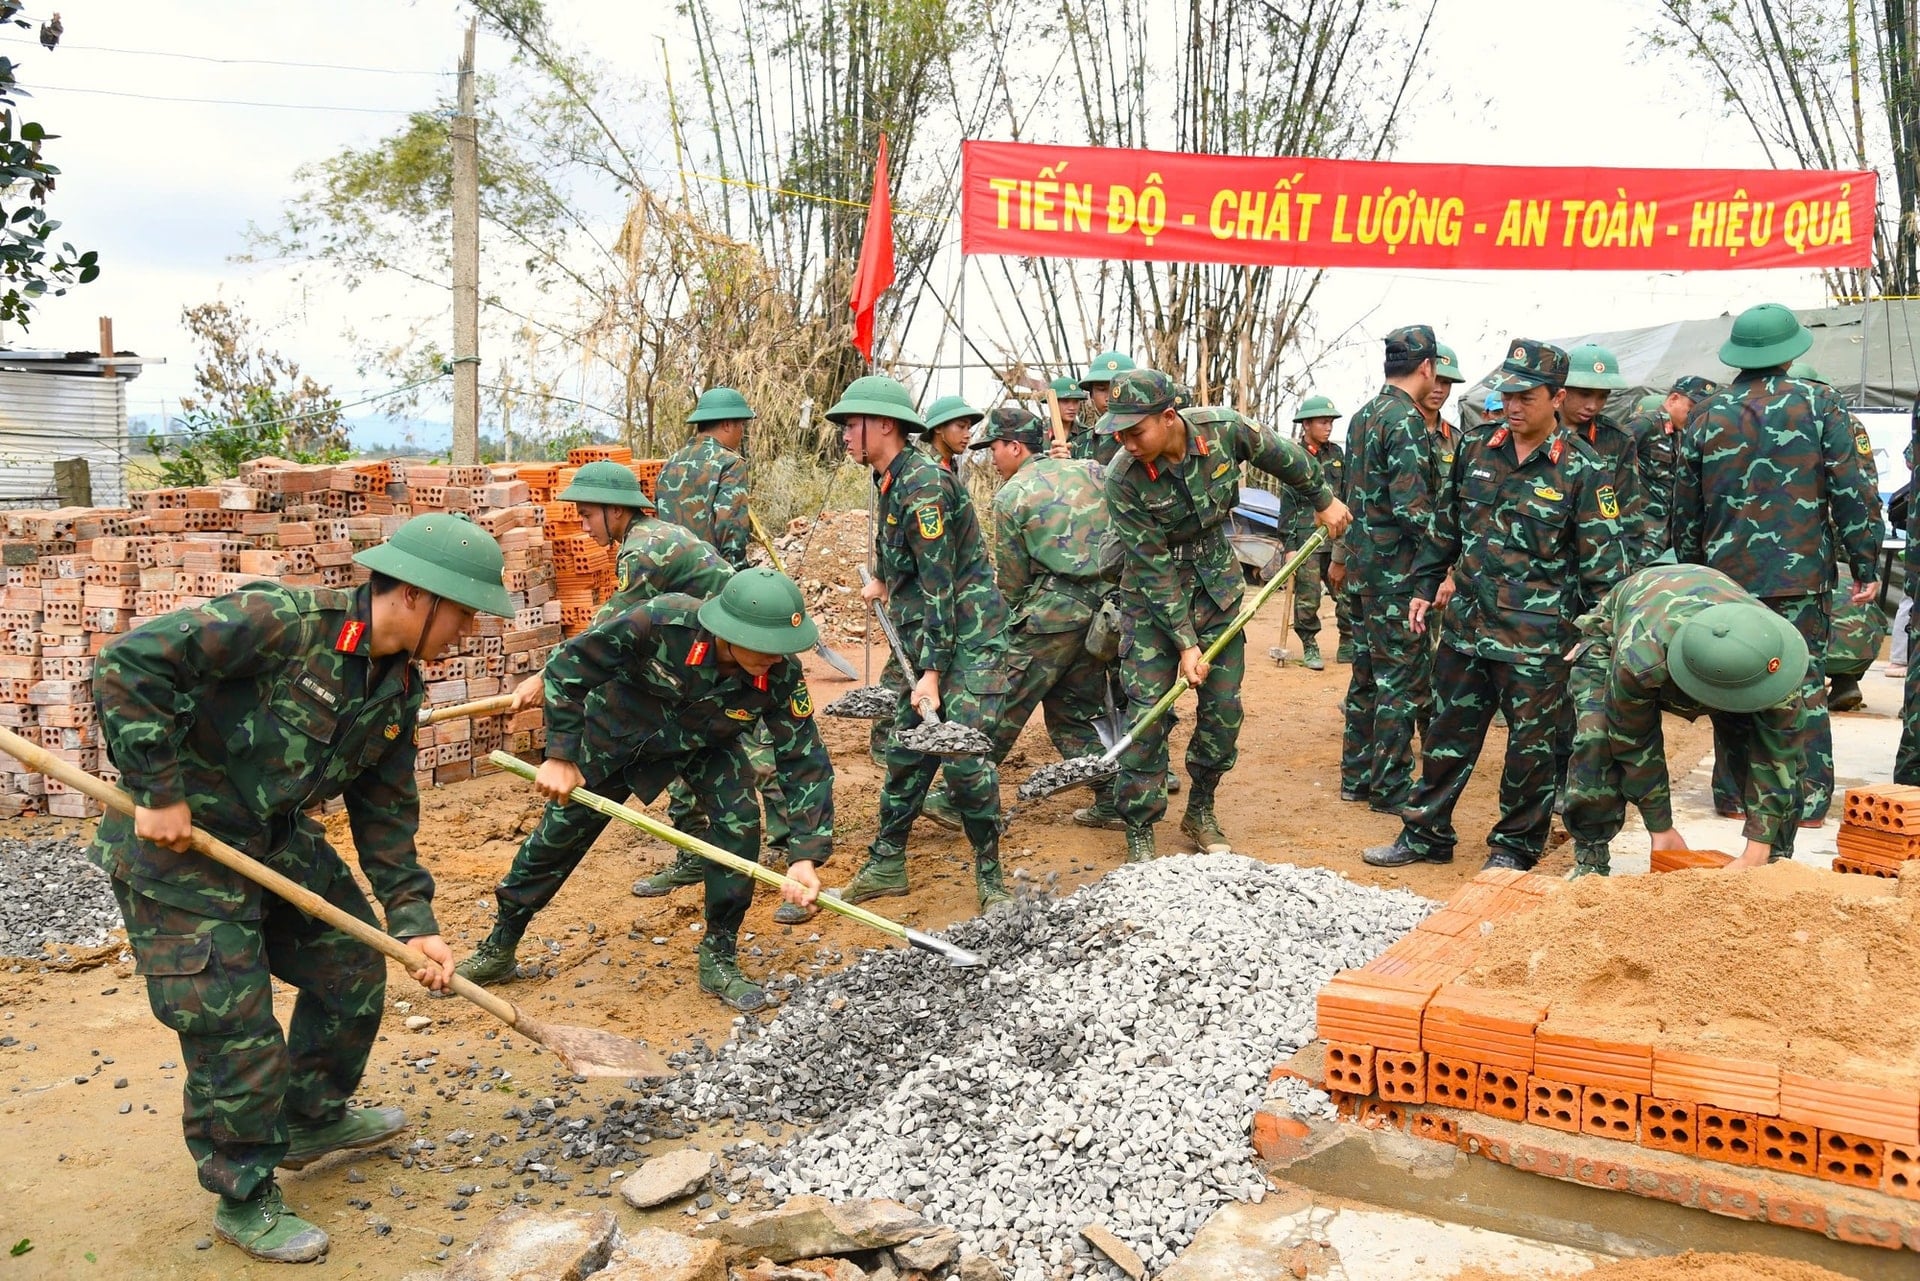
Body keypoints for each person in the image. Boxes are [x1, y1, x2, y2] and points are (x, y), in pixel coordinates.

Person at [89, 514, 514, 1263]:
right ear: (417, 596)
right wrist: (157, 789)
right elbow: (130, 664)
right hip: (179, 854)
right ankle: (244, 1191)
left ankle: (310, 1116)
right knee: (234, 1026)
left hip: (271, 840)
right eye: (464, 612)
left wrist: (413, 919)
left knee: (353, 963)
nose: (470, 630)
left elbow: (385, 810)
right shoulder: (282, 623)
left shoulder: (397, 686)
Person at [454, 570, 830, 1012]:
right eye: (765, 646)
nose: (775, 656)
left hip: (703, 745)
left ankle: (719, 955)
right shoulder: (659, 622)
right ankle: (500, 945)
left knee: (740, 825)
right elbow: (568, 668)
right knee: (557, 838)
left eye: (783, 646)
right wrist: (560, 756)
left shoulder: (780, 673)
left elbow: (803, 759)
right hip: (615, 736)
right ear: (729, 631)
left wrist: (804, 855)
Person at [1365, 339, 1626, 871]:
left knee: (1530, 751)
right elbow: (1445, 527)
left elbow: (1603, 566)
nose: (1513, 405)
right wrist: (1424, 585)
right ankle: (1425, 835)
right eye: (1508, 394)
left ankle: (1514, 847)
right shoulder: (1477, 448)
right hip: (1467, 627)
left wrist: (1596, 637)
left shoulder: (1585, 468)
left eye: (1526, 396)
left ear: (1556, 398)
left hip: (1537, 640)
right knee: (1445, 737)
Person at [1101, 369, 1352, 860]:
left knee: (1222, 711)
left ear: (1168, 417)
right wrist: (1185, 643)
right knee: (1148, 713)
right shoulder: (1122, 479)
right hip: (1152, 603)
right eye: (1119, 434)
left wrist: (1323, 499)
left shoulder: (1224, 430)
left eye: (1135, 431)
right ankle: (1140, 825)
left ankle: (1201, 809)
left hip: (1217, 588)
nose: (1127, 443)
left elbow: (1285, 456)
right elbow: (1151, 566)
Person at [1672, 303, 1880, 832]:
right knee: (1803, 683)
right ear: (1791, 352)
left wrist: (1695, 575)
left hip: (1727, 580)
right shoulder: (1820, 404)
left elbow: (1685, 506)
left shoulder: (1706, 413)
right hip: (1800, 577)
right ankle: (1805, 803)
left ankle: (1734, 795)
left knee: (1729, 678)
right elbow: (1852, 490)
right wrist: (1864, 561)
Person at [832, 375, 1013, 909]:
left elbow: (940, 585)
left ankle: (991, 879)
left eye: (852, 425)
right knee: (905, 751)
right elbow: (902, 553)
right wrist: (883, 580)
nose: (845, 435)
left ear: (885, 426)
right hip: (925, 634)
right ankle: (887, 863)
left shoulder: (925, 486)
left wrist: (930, 675)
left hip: (968, 638)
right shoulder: (889, 479)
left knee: (962, 756)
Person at [923, 407, 1117, 829]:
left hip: (1049, 618)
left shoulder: (1012, 496)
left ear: (1014, 446)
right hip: (1104, 616)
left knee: (1002, 704)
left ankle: (959, 797)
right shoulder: (1093, 471)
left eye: (993, 448)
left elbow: (1013, 582)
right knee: (1073, 712)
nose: (991, 458)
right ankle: (1114, 797)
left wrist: (1003, 628)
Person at [1563, 563, 1812, 875]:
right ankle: (1590, 859)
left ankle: (1773, 862)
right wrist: (1660, 827)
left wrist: (1759, 843)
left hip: (1728, 649)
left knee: (1766, 753)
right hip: (1619, 636)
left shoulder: (1774, 660)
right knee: (1597, 739)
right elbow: (1634, 742)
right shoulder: (1639, 661)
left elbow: (1779, 756)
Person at [1339, 326, 1441, 814]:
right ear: (1427, 367)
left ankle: (1357, 777)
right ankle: (1390, 787)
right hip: (1397, 576)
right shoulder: (1406, 420)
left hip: (1362, 570)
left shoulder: (1363, 416)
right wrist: (1444, 558)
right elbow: (1412, 507)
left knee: (1365, 677)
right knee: (1398, 680)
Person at [1559, 344, 1648, 565]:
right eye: (1585, 394)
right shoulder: (1536, 431)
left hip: (1592, 564)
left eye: (1602, 397)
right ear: (1562, 389)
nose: (1592, 405)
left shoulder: (1617, 440)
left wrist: (1623, 567)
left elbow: (1628, 512)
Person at [1283, 395, 1350, 670]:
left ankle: (1348, 641)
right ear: (1306, 424)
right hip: (1306, 539)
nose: (1328, 427)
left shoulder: (1337, 455)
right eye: (1323, 422)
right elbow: (1287, 505)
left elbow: (1345, 495)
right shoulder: (1293, 456)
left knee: (1345, 593)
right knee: (1308, 598)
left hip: (1336, 537)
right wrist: (1289, 547)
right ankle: (1309, 644)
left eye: (1331, 422)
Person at [655, 385, 755, 570]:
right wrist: (737, 574)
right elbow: (730, 526)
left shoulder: (671, 463)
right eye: (741, 425)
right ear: (727, 424)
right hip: (712, 575)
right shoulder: (730, 463)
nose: (742, 432)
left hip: (672, 573)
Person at [1633, 375, 1720, 562]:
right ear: (1673, 399)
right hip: (1641, 534)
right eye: (1691, 410)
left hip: (1666, 535)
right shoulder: (1646, 424)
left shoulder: (1680, 435)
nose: (1694, 417)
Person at [1072, 350, 1136, 465]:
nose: (1110, 397)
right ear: (1091, 395)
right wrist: (1061, 463)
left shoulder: (1152, 438)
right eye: (1102, 389)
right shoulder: (1079, 444)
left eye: (1118, 388)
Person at [920, 395, 985, 473]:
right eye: (961, 426)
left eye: (968, 428)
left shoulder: (950, 466)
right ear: (938, 427)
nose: (968, 435)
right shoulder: (925, 470)